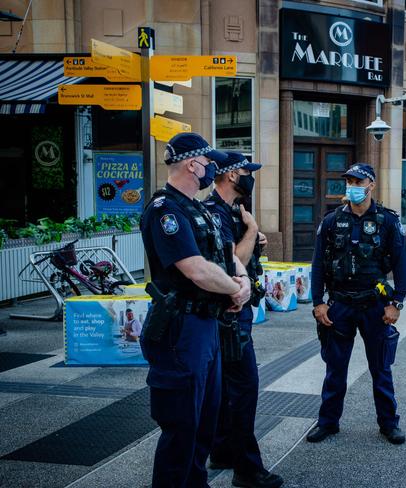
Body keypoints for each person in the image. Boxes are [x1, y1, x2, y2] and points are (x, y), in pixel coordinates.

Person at [139, 132, 251, 488]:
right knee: (182, 429)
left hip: (208, 326)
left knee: (206, 419)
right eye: (209, 163)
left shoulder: (200, 207)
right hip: (181, 329)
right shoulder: (165, 210)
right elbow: (196, 269)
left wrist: (243, 281)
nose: (212, 170)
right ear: (192, 164)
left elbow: (227, 254)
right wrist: (235, 289)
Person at [308, 163, 406, 445]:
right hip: (340, 304)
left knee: (381, 370)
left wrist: (397, 302)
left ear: (371, 185)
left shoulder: (388, 221)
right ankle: (328, 423)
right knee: (335, 370)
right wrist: (318, 303)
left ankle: (389, 424)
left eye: (358, 180)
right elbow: (318, 265)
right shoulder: (331, 220)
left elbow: (402, 264)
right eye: (349, 180)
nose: (352, 185)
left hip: (375, 305)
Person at [203, 151, 283, 488]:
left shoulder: (234, 211)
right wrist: (251, 233)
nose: (251, 176)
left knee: (226, 388)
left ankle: (222, 451)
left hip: (234, 313)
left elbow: (242, 258)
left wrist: (255, 240)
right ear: (233, 175)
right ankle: (247, 470)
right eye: (247, 171)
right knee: (244, 389)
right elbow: (230, 260)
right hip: (228, 315)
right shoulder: (214, 213)